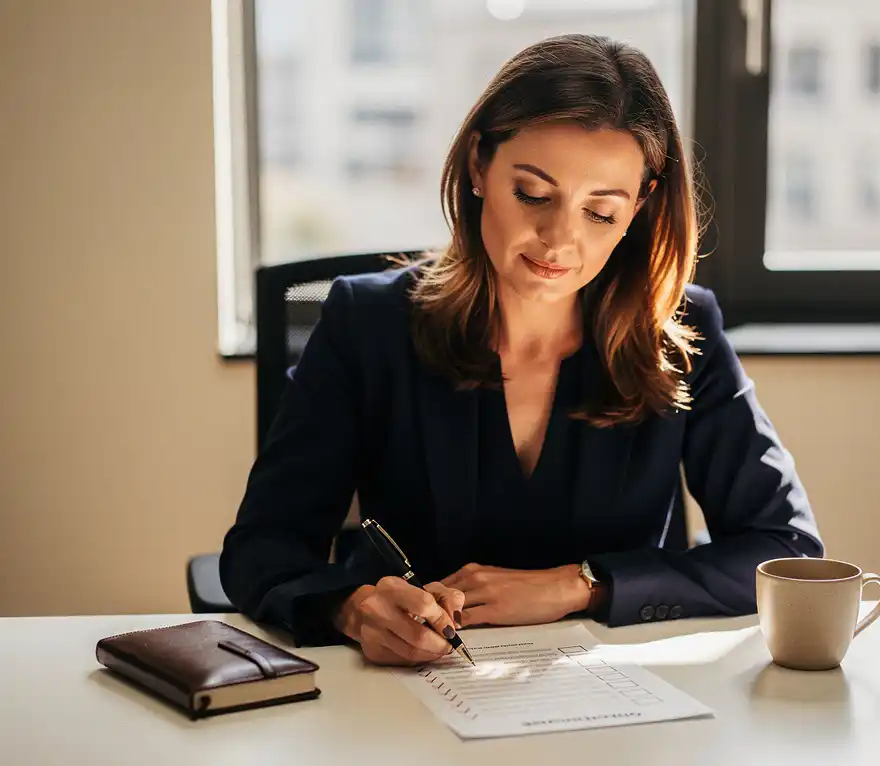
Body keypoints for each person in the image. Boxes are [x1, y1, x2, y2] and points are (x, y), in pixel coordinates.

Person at [220, 34, 823, 666]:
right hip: (411, 699)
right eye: (534, 194)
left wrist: (580, 586)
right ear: (480, 164)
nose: (560, 240)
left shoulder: (682, 331)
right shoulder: (365, 323)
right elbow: (261, 548)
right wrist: (351, 607)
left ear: (641, 205)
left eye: (601, 212)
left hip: (624, 706)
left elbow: (788, 552)